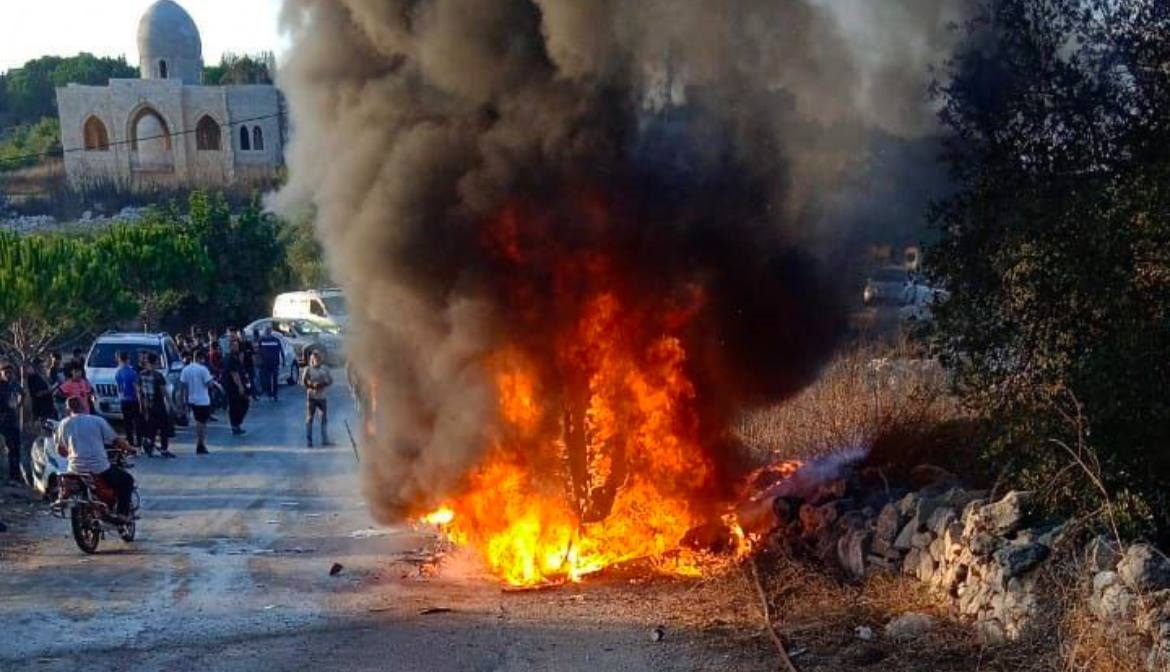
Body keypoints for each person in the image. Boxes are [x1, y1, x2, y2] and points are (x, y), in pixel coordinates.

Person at [55, 396, 135, 521]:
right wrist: (130, 448)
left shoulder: (63, 424)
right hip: (99, 468)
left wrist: (73, 453)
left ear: (68, 410)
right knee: (127, 481)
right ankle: (122, 514)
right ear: (84, 406)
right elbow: (116, 440)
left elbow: (61, 450)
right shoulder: (97, 420)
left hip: (75, 469)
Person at [137, 354, 175, 458]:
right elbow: (164, 392)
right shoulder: (158, 375)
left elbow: (139, 391)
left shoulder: (141, 374)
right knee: (164, 428)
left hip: (146, 406)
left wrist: (141, 405)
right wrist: (171, 405)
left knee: (151, 428)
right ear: (155, 362)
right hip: (158, 405)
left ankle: (150, 448)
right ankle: (164, 449)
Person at [180, 350, 219, 455]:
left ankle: (200, 443)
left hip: (191, 399)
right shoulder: (203, 369)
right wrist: (213, 381)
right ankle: (200, 444)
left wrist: (182, 401)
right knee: (202, 423)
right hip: (203, 400)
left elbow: (183, 387)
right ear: (200, 358)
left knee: (198, 421)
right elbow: (209, 384)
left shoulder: (186, 369)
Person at [301, 350, 333, 447]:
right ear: (312, 360)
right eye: (315, 359)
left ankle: (325, 440)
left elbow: (330, 380)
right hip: (312, 397)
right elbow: (303, 381)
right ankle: (309, 441)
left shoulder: (325, 369)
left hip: (322, 397)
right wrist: (311, 385)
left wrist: (323, 384)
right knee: (310, 418)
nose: (317, 361)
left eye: (319, 359)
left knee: (324, 418)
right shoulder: (308, 370)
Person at [0, 364, 24, 485]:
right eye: (6, 373)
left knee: (14, 448)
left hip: (12, 420)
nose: (8, 375)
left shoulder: (14, 384)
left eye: (10, 373)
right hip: (2, 420)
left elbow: (22, 393)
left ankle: (14, 476)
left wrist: (17, 405)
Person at [114, 351, 141, 447]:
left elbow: (118, 387)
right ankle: (139, 441)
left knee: (127, 422)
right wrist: (140, 401)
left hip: (123, 400)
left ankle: (130, 441)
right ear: (128, 359)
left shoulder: (118, 373)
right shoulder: (133, 372)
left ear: (120, 360)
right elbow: (136, 387)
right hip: (133, 399)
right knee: (137, 421)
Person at [224, 340, 250, 436]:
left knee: (243, 404)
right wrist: (240, 386)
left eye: (237, 346)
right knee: (235, 406)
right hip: (233, 387)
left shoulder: (236, 358)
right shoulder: (230, 358)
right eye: (234, 346)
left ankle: (236, 424)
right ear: (230, 347)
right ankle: (235, 425)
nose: (237, 348)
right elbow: (234, 373)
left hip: (238, 385)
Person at [257, 328, 285, 402]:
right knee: (273, 379)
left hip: (268, 363)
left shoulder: (262, 340)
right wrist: (283, 361)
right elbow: (281, 351)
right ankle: (273, 395)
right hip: (273, 363)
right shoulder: (275, 340)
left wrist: (259, 361)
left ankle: (271, 395)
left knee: (270, 379)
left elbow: (258, 352)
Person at [241, 332, 259, 401]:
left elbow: (253, 355)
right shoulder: (239, 344)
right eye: (241, 336)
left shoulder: (248, 344)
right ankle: (246, 396)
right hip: (242, 367)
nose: (243, 337)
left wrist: (254, 365)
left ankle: (254, 395)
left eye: (243, 336)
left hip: (250, 366)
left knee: (251, 381)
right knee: (244, 382)